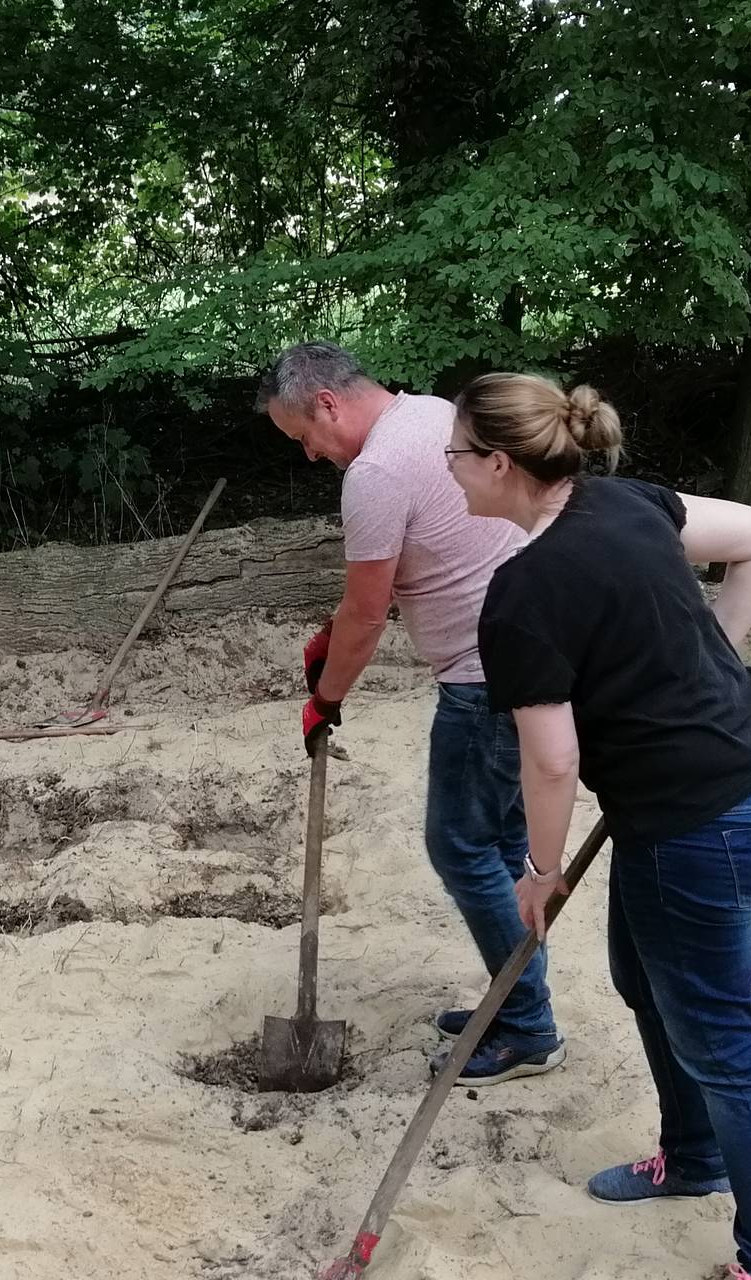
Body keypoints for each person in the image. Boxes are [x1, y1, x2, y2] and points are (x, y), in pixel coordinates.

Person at [447, 372, 751, 1280]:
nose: (448, 467)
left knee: (722, 1039)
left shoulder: (524, 593)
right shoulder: (623, 501)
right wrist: (704, 660)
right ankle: (694, 1156)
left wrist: (540, 870)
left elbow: (552, 763)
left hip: (697, 816)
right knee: (642, 977)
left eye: (455, 453)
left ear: (499, 464)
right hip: (732, 777)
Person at [258, 341, 563, 1086]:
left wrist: (325, 698)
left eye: (303, 436)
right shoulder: (433, 415)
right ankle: (515, 1000)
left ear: (326, 403)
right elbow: (389, 589)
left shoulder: (376, 472)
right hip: (533, 657)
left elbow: (367, 616)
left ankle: (526, 1025)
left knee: (459, 847)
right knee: (498, 844)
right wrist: (334, 636)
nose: (309, 454)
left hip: (483, 680)